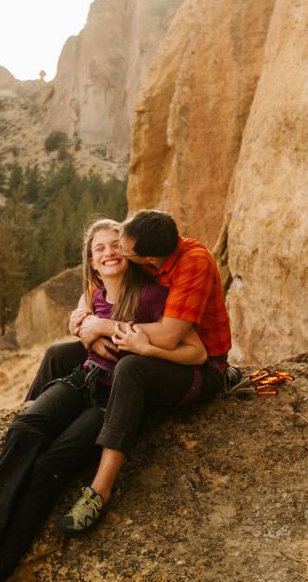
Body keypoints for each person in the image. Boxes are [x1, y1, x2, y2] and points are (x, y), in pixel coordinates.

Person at [0, 219, 208, 582]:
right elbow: (83, 317)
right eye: (99, 249)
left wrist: (142, 347)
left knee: (50, 466)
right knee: (25, 428)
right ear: (91, 262)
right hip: (81, 380)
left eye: (115, 246)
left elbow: (193, 348)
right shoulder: (92, 296)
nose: (109, 253)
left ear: (129, 254)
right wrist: (82, 325)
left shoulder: (151, 296)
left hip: (112, 400)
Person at [56, 208, 232, 533]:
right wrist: (83, 319)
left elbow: (168, 337)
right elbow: (96, 287)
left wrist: (102, 326)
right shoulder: (152, 238)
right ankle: (32, 427)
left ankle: (100, 490)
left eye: (125, 250)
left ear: (149, 259)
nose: (118, 252)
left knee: (131, 368)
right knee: (59, 355)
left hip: (200, 364)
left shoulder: (192, 264)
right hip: (159, 348)